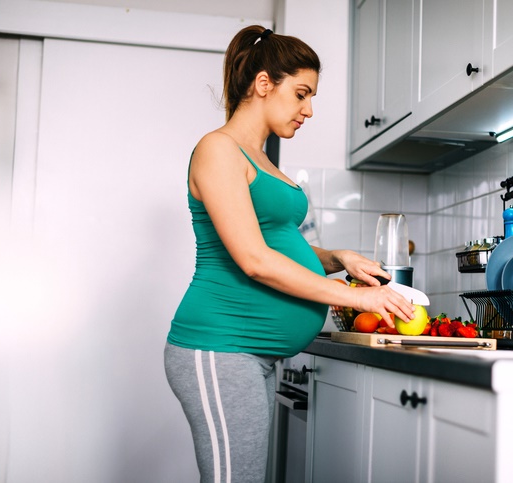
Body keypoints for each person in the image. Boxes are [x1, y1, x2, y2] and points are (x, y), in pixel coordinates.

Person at [164, 25, 415, 483]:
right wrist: (354, 298)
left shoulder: (260, 159)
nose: (309, 109)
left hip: (251, 353)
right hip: (219, 345)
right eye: (301, 93)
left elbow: (276, 240)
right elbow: (254, 258)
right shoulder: (217, 149)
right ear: (264, 83)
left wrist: (338, 257)